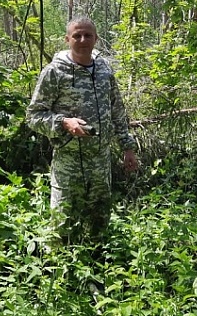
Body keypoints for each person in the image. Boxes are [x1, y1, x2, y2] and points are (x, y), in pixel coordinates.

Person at [26, 16, 139, 243]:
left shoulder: (104, 70)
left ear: (96, 39)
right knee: (62, 224)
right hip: (68, 163)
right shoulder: (55, 72)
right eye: (77, 35)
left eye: (88, 35)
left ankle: (97, 262)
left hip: (100, 163)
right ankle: (58, 261)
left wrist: (128, 148)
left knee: (99, 223)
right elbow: (33, 116)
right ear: (67, 39)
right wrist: (63, 123)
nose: (82, 40)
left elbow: (117, 111)